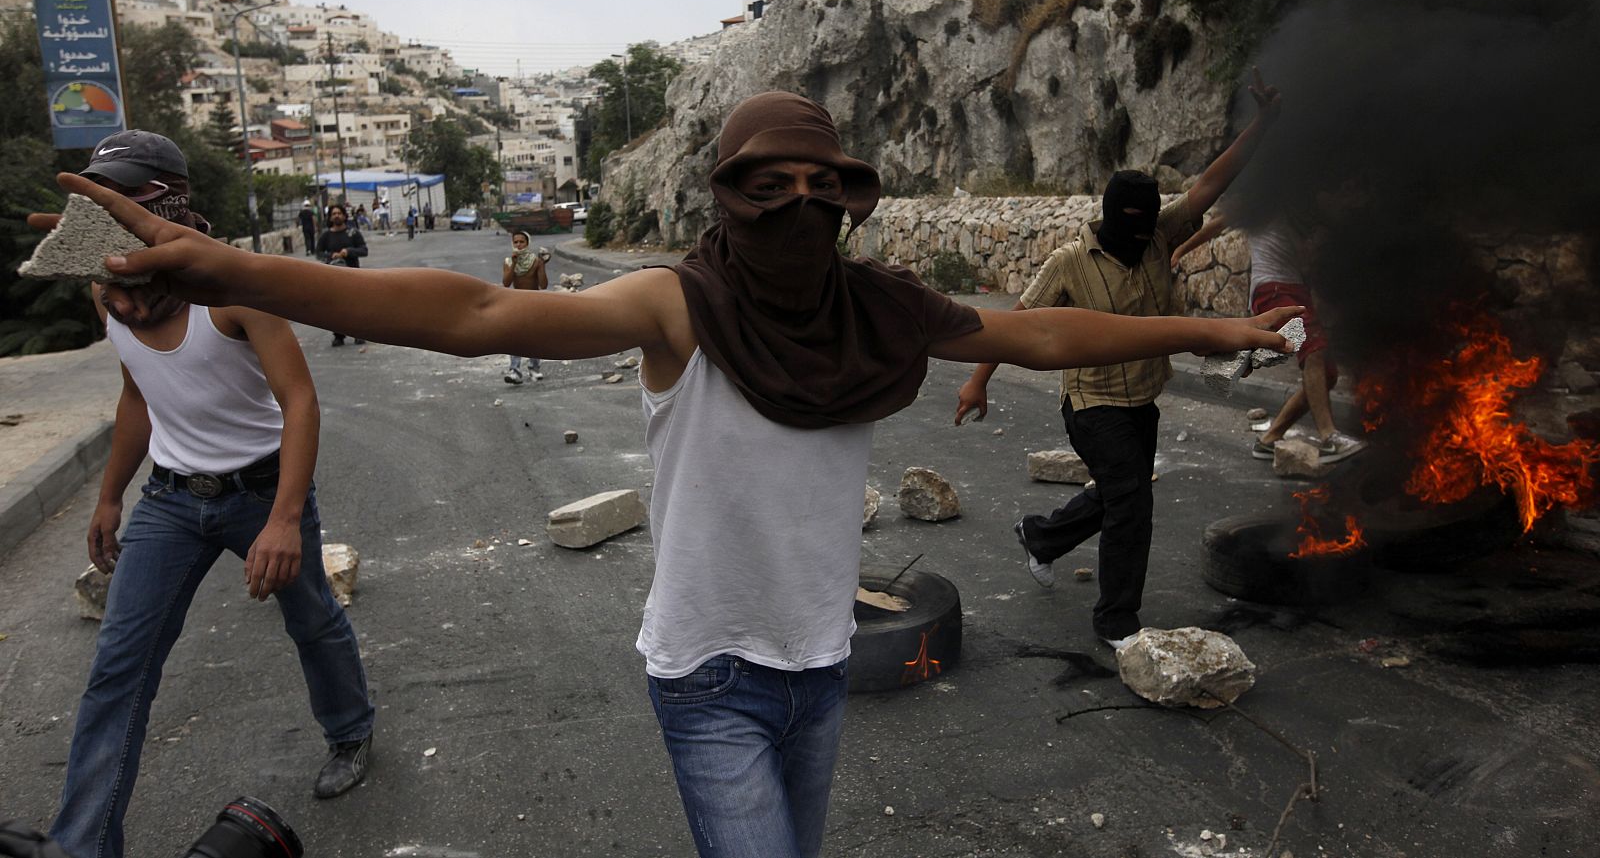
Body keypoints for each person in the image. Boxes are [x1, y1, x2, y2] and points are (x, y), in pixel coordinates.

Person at [55, 93, 1296, 858]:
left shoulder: (876, 310)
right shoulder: (680, 305)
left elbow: (1040, 336)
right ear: (725, 195)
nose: (797, 205)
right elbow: (476, 310)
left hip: (818, 667)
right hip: (708, 675)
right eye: (769, 186)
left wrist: (1201, 334)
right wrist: (237, 269)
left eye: (822, 186)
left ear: (853, 203)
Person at [41, 131, 374, 858]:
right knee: (118, 669)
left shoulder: (231, 287)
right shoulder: (110, 290)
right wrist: (108, 498)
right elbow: (138, 394)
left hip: (260, 490)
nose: (106, 212)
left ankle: (351, 731)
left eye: (122, 196)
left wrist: (285, 519)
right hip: (168, 501)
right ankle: (80, 845)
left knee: (313, 620)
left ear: (166, 199)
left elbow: (300, 402)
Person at [955, 69, 1283, 648]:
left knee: (1116, 492)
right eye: (1128, 230)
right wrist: (977, 383)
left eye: (1146, 228)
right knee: (1132, 499)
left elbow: (1210, 183)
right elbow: (1012, 326)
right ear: (1108, 219)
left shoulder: (1161, 231)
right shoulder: (1068, 262)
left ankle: (1042, 537)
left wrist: (1264, 123)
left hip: (1143, 399)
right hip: (1091, 403)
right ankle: (1116, 621)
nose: (1140, 241)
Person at [1170, 210, 1366, 464]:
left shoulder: (1304, 204)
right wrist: (1180, 251)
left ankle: (1269, 439)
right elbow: (1216, 224)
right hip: (1272, 287)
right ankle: (1329, 437)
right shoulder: (1264, 199)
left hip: (1297, 290)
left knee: (1326, 375)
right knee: (1314, 350)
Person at [315, 204, 368, 347]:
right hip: (332, 277)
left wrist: (349, 251)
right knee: (335, 308)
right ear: (330, 217)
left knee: (355, 306)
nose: (336, 216)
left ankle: (359, 334)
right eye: (334, 214)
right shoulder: (326, 235)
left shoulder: (353, 233)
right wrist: (331, 255)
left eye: (339, 213)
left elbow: (364, 250)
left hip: (353, 275)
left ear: (344, 216)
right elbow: (318, 253)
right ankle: (339, 335)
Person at [501, 232, 548, 384]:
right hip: (516, 301)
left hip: (534, 301)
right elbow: (506, 283)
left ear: (527, 244)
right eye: (516, 242)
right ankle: (514, 370)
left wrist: (541, 266)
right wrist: (514, 264)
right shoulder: (508, 261)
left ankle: (534, 368)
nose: (519, 245)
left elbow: (543, 285)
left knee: (534, 337)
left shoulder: (535, 261)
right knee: (515, 337)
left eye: (522, 242)